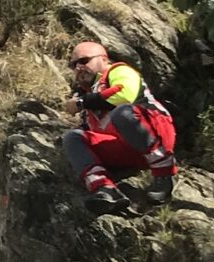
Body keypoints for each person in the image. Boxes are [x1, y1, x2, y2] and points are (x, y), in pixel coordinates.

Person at [61, 39, 179, 213]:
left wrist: (81, 102)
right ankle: (105, 189)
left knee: (122, 113)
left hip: (154, 132)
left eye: (84, 61)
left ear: (103, 59)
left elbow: (124, 95)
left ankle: (164, 173)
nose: (78, 67)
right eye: (73, 65)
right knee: (73, 138)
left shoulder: (117, 70)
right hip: (127, 148)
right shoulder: (88, 96)